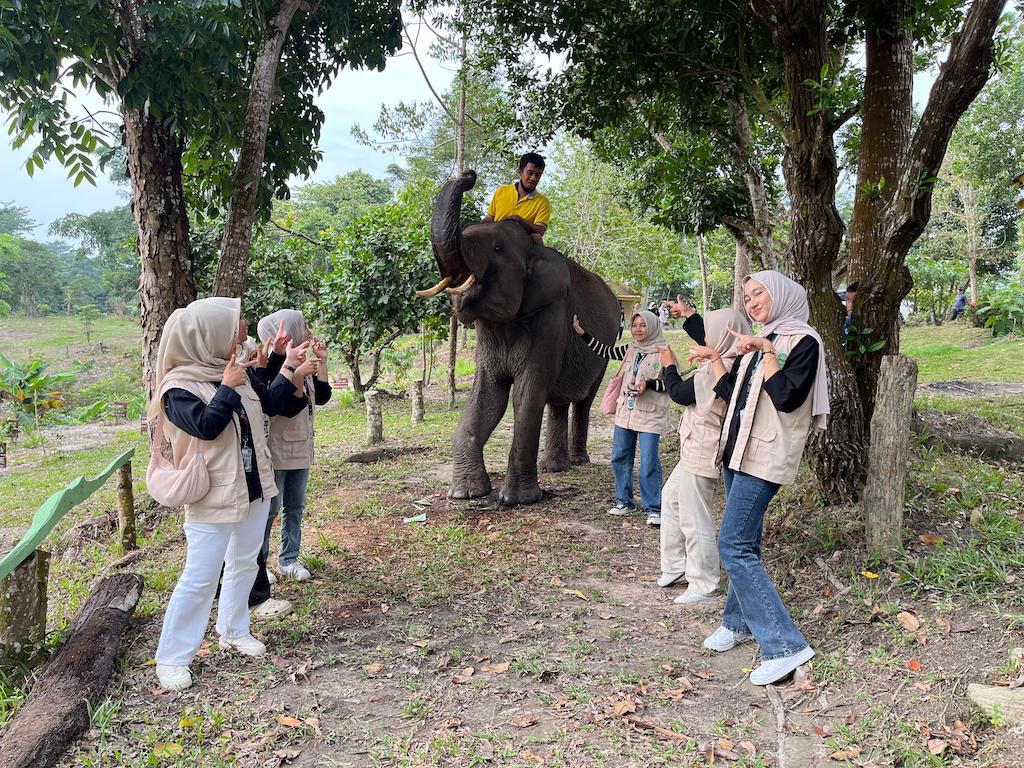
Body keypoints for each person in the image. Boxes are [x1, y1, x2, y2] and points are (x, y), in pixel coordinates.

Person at [687, 270, 829, 686]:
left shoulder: (803, 342)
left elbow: (786, 397)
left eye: (758, 294)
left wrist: (767, 352)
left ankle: (785, 646)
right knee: (745, 542)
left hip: (764, 457)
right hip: (737, 452)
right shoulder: (760, 339)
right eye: (747, 297)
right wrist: (715, 358)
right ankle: (737, 623)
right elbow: (733, 394)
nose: (751, 303)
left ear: (780, 295)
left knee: (732, 544)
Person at [149, 297, 279, 692]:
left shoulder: (233, 371)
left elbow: (261, 414)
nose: (241, 335)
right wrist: (226, 387)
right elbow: (206, 427)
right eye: (235, 328)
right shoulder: (178, 387)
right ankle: (173, 657)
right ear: (208, 336)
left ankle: (234, 630)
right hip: (213, 494)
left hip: (254, 486)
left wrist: (253, 371)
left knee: (245, 562)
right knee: (201, 576)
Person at [656, 307, 750, 605]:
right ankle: (675, 566)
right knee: (671, 499)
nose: (705, 337)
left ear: (722, 336)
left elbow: (679, 393)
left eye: (710, 331)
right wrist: (690, 315)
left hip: (703, 448)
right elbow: (707, 338)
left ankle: (703, 582)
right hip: (693, 446)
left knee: (694, 516)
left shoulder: (719, 368)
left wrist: (669, 366)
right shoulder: (727, 359)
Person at [573, 309, 669, 526]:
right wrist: (582, 333)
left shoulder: (664, 352)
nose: (638, 330)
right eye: (635, 325)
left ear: (653, 327)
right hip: (626, 411)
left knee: (649, 462)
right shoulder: (631, 349)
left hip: (650, 416)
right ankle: (624, 501)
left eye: (643, 325)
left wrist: (649, 385)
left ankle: (654, 508)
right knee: (620, 456)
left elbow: (671, 384)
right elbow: (604, 351)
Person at [257, 310, 332, 583]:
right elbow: (286, 407)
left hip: (301, 447)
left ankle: (289, 560)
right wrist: (297, 373)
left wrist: (322, 362)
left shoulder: (300, 360)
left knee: (295, 507)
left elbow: (321, 396)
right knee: (270, 510)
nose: (308, 330)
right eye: (303, 326)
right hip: (277, 450)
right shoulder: (274, 366)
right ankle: (259, 564)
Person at [485, 152, 550, 245]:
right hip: (494, 239)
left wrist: (520, 221)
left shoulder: (543, 202)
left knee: (536, 238)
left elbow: (540, 230)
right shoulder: (501, 191)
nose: (533, 178)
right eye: (530, 173)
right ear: (520, 171)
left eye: (537, 175)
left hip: (520, 245)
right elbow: (489, 218)